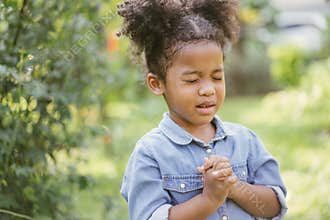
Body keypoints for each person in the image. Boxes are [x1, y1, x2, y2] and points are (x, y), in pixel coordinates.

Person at [117, 0, 287, 219]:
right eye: (192, 80)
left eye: (217, 76)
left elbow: (275, 207)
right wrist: (209, 200)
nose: (208, 90)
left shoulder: (245, 141)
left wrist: (234, 187)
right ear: (157, 83)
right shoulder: (150, 154)